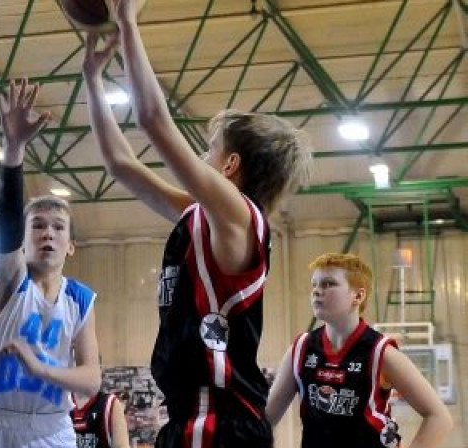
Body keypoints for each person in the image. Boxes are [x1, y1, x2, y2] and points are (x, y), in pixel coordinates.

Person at [81, 4, 311, 446]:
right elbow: (119, 164)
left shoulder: (239, 216)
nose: (200, 157)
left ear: (230, 165)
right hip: (190, 416)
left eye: (208, 148)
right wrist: (92, 79)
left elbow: (153, 121)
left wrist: (129, 23)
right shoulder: (202, 215)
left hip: (220, 420)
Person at [0, 79, 101, 448]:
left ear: (71, 245)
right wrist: (13, 151)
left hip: (53, 428)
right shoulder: (10, 283)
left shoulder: (80, 298)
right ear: (22, 244)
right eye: (38, 226)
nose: (48, 234)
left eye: (58, 228)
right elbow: (7, 222)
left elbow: (91, 381)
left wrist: (40, 368)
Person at [266, 253, 453, 448]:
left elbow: (440, 417)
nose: (317, 291)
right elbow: (265, 421)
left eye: (328, 284)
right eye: (315, 284)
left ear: (358, 295)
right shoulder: (300, 349)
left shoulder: (382, 353)